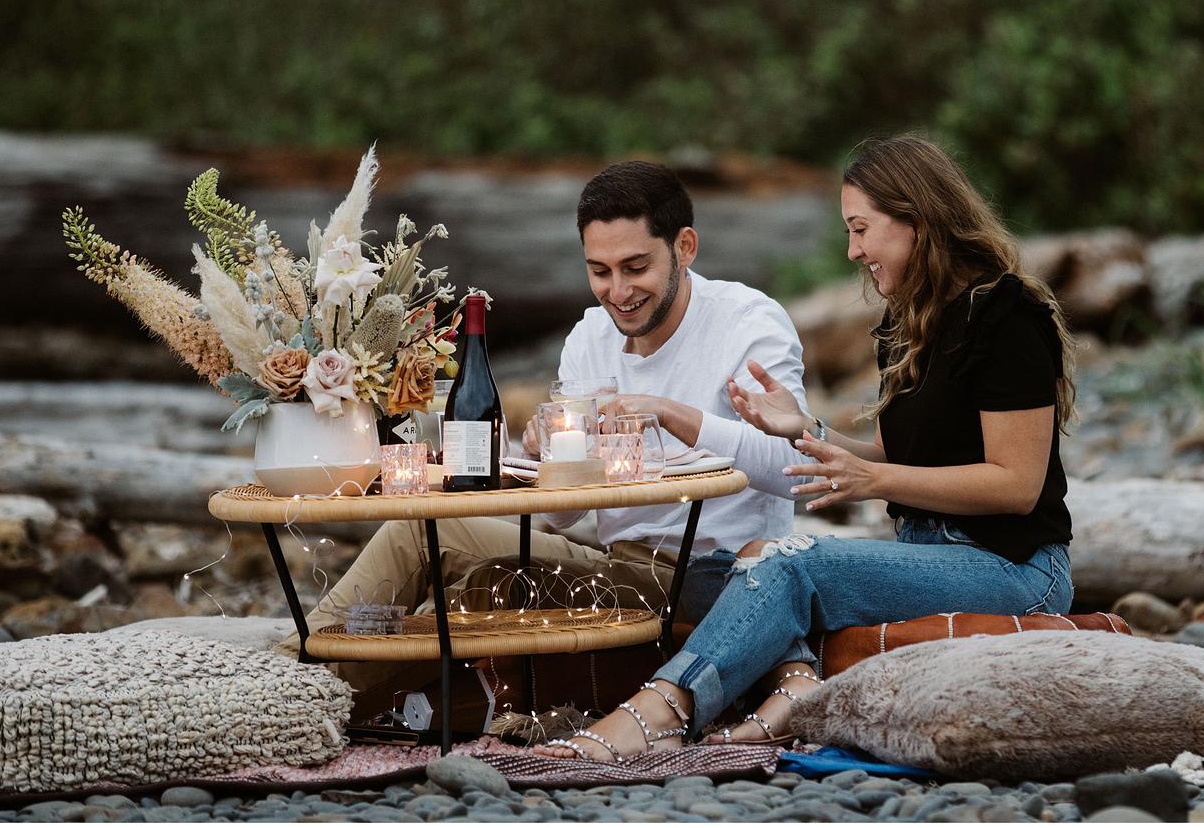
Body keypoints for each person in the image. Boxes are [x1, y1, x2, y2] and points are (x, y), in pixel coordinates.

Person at [536, 133, 1077, 761]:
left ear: (918, 222)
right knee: (770, 552)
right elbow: (899, 458)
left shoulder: (1005, 316)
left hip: (1016, 570)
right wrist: (806, 432)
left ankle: (660, 713)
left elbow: (1015, 486)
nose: (852, 250)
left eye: (860, 229)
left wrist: (874, 484)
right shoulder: (911, 321)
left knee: (792, 560)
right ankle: (786, 696)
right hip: (928, 550)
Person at [278, 160, 811, 716]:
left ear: (685, 247)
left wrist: (673, 413)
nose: (619, 291)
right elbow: (558, 516)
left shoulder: (748, 322)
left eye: (635, 267)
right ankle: (315, 699)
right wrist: (538, 457)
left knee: (421, 530)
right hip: (617, 561)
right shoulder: (590, 337)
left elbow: (796, 471)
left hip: (713, 577)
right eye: (600, 271)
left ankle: (284, 685)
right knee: (471, 579)